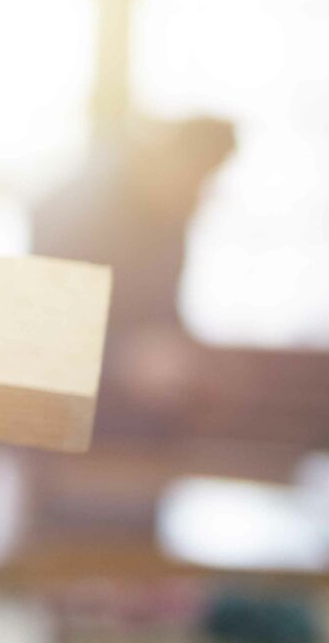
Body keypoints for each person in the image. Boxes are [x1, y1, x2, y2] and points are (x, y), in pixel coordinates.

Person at [32, 115, 237, 439]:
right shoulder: (74, 210)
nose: (200, 196)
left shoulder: (171, 218)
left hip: (139, 430)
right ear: (173, 156)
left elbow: (162, 319)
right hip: (63, 430)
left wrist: (192, 363)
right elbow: (39, 333)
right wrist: (124, 359)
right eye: (198, 178)